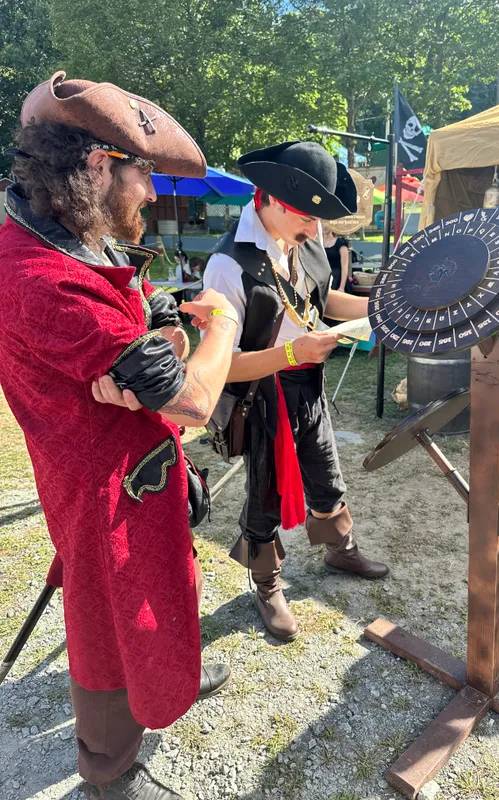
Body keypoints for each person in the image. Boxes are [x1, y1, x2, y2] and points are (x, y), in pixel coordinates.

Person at [0, 71, 240, 800]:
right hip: (102, 490)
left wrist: (157, 346)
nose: (153, 195)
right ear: (101, 165)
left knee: (165, 591)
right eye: (146, 175)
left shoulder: (72, 238)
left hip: (138, 469)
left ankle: (169, 678)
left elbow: (145, 328)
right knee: (109, 620)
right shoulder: (40, 276)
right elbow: (194, 402)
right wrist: (223, 325)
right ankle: (106, 768)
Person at [202, 141, 390, 641]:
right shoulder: (227, 265)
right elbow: (221, 365)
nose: (316, 230)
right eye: (308, 218)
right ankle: (266, 583)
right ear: (272, 200)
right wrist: (292, 352)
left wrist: (382, 308)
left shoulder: (302, 238)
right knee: (265, 493)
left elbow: (322, 300)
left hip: (307, 379)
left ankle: (340, 550)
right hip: (260, 393)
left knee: (326, 475)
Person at [322, 224, 350, 292]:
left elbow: (345, 266)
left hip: (337, 280)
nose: (324, 226)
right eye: (322, 224)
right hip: (323, 280)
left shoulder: (340, 242)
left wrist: (342, 287)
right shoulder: (318, 244)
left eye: (326, 224)